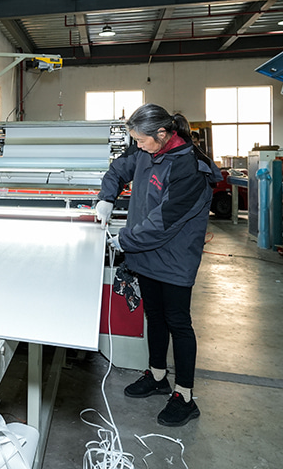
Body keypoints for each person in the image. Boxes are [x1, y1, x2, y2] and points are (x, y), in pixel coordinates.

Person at [95, 104, 221, 427]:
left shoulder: (188, 169)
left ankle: (185, 395)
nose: (137, 146)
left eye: (141, 140)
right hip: (147, 255)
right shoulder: (147, 151)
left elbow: (163, 222)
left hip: (175, 258)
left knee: (178, 321)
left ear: (162, 134)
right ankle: (157, 375)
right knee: (154, 315)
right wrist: (106, 197)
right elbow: (118, 169)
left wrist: (125, 240)